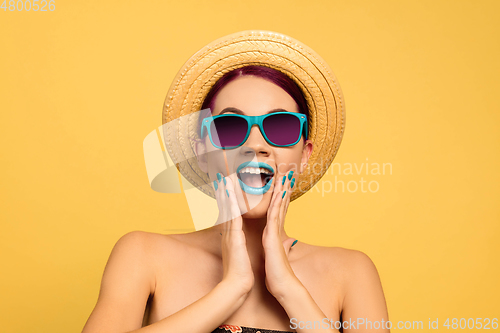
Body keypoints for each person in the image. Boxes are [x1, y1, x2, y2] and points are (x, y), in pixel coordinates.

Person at [82, 31, 390, 333]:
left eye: (279, 126)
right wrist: (231, 288)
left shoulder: (351, 273)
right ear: (202, 152)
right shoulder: (143, 254)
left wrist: (288, 289)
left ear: (304, 155)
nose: (256, 145)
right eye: (229, 127)